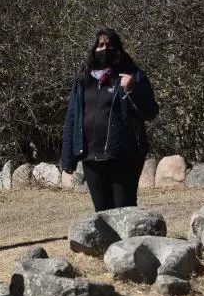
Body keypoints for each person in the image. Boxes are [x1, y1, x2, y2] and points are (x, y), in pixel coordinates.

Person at [61, 27, 159, 211]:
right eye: (100, 45)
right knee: (102, 212)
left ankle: (130, 241)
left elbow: (150, 112)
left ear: (118, 48)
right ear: (93, 50)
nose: (104, 49)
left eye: (109, 45)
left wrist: (132, 89)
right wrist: (68, 157)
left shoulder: (133, 75)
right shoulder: (83, 80)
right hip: (91, 155)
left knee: (124, 208)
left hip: (124, 155)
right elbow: (72, 118)